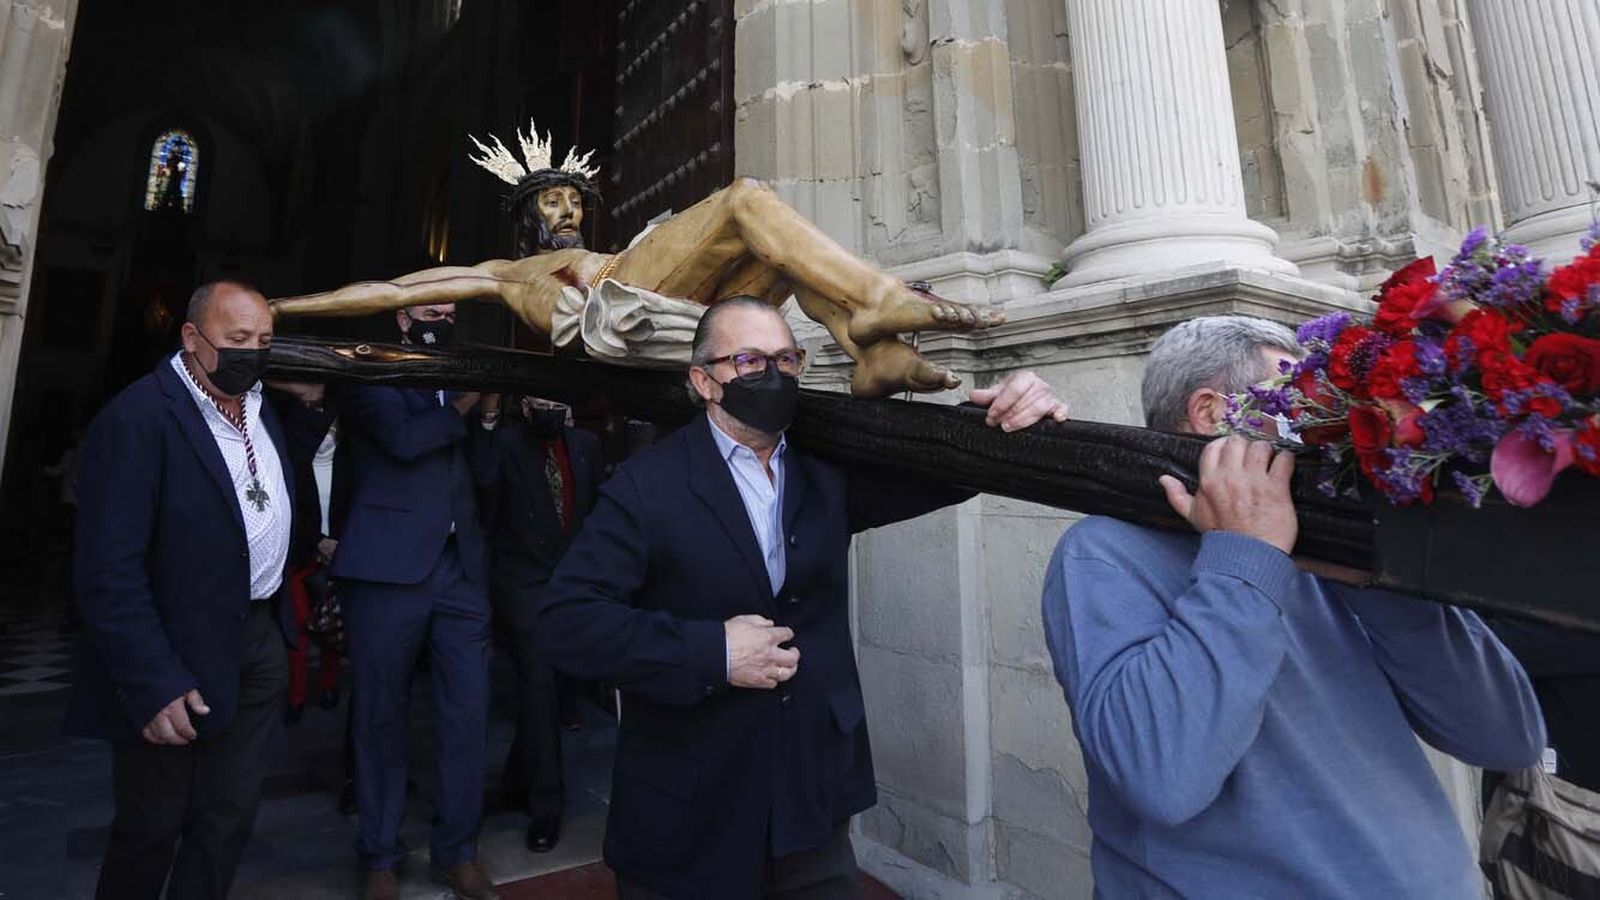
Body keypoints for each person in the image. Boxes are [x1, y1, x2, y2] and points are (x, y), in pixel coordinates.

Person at [533, 297, 1070, 899]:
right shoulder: (646, 485)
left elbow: (947, 471)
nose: (775, 374)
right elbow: (566, 622)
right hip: (691, 810)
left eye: (787, 358)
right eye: (749, 359)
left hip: (811, 807)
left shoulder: (827, 471)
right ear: (703, 381)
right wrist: (712, 652)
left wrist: (1013, 414)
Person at [1040, 315, 1546, 897]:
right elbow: (1163, 778)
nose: (1331, 430)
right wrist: (1244, 556)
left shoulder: (1329, 536)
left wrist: (1378, 579)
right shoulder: (1103, 552)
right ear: (1212, 413)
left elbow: (1508, 739)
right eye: (1305, 404)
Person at [65, 281, 326, 900]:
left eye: (264, 342)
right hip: (173, 648)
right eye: (237, 341)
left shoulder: (267, 409)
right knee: (151, 828)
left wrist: (311, 405)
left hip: (258, 638)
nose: (253, 354)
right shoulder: (139, 419)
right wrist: (152, 679)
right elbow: (108, 571)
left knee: (226, 819)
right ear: (192, 338)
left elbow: (295, 514)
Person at [330, 302, 496, 900]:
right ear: (402, 319)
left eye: (451, 311)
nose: (443, 320)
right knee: (380, 717)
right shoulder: (373, 371)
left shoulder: (468, 376)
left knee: (469, 715)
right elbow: (403, 439)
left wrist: (492, 419)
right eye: (431, 311)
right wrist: (462, 407)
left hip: (461, 574)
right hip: (386, 570)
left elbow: (484, 473)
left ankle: (460, 851)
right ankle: (379, 855)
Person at [471, 394, 603, 853]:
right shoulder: (505, 445)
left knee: (543, 691)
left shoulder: (585, 445)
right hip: (522, 586)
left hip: (571, 586)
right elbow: (484, 492)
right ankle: (547, 805)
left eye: (555, 398)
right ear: (524, 404)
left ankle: (515, 781)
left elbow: (592, 514)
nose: (548, 406)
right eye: (538, 399)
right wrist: (486, 419)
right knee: (540, 686)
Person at [267, 389, 343, 724]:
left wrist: (338, 544)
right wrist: (317, 543)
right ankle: (296, 697)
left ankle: (329, 687)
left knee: (332, 626)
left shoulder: (349, 465)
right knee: (297, 629)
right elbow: (287, 512)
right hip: (301, 557)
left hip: (341, 556)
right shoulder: (292, 465)